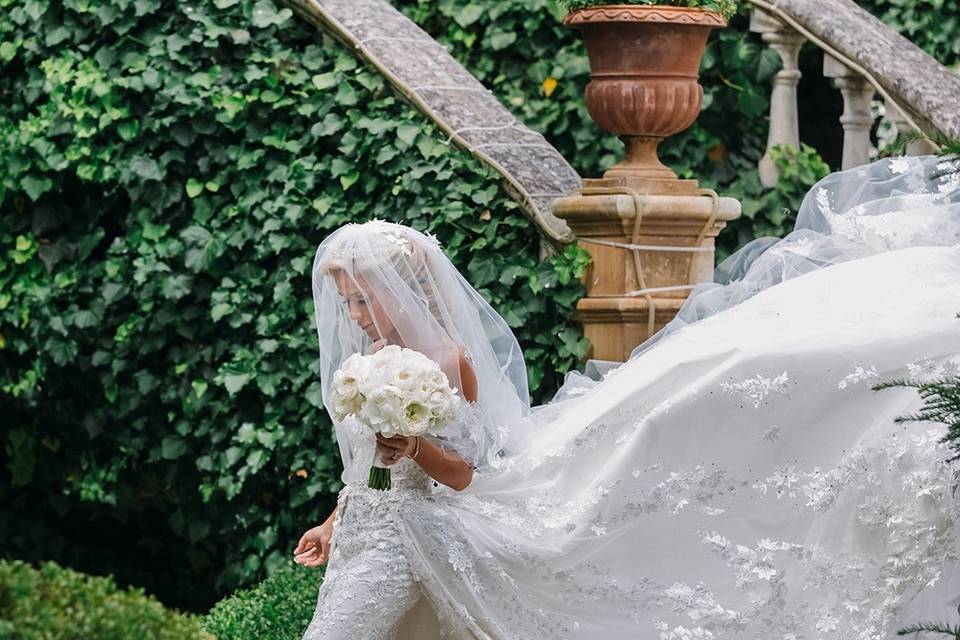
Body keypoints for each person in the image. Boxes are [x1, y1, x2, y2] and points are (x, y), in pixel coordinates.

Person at [297, 154, 960, 640]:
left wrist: (415, 448)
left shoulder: (446, 363)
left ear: (405, 289)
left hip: (417, 537)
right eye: (348, 301)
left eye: (363, 297)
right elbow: (364, 471)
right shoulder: (368, 367)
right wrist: (333, 523)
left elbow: (463, 472)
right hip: (367, 536)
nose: (353, 313)